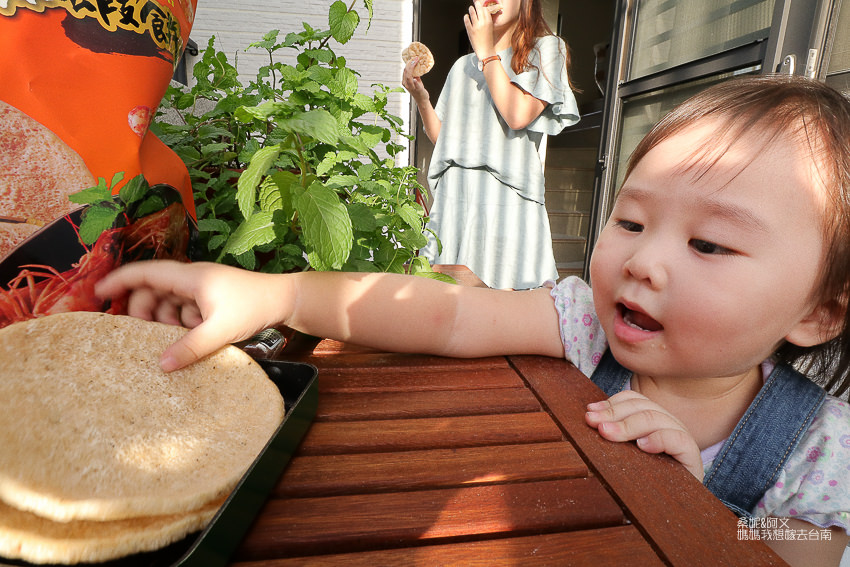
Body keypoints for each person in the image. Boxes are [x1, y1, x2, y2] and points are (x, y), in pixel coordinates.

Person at [96, 75, 850, 566]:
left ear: (820, 310)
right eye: (630, 220)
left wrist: (702, 511)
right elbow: (452, 316)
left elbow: (807, 550)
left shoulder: (820, 446)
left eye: (708, 243)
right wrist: (279, 295)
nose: (643, 262)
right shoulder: (584, 326)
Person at [402, 0, 579, 290]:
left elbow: (518, 115)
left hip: (505, 205)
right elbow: (444, 140)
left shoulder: (546, 50)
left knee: (502, 312)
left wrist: (486, 53)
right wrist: (422, 99)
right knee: (445, 304)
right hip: (454, 202)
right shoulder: (462, 67)